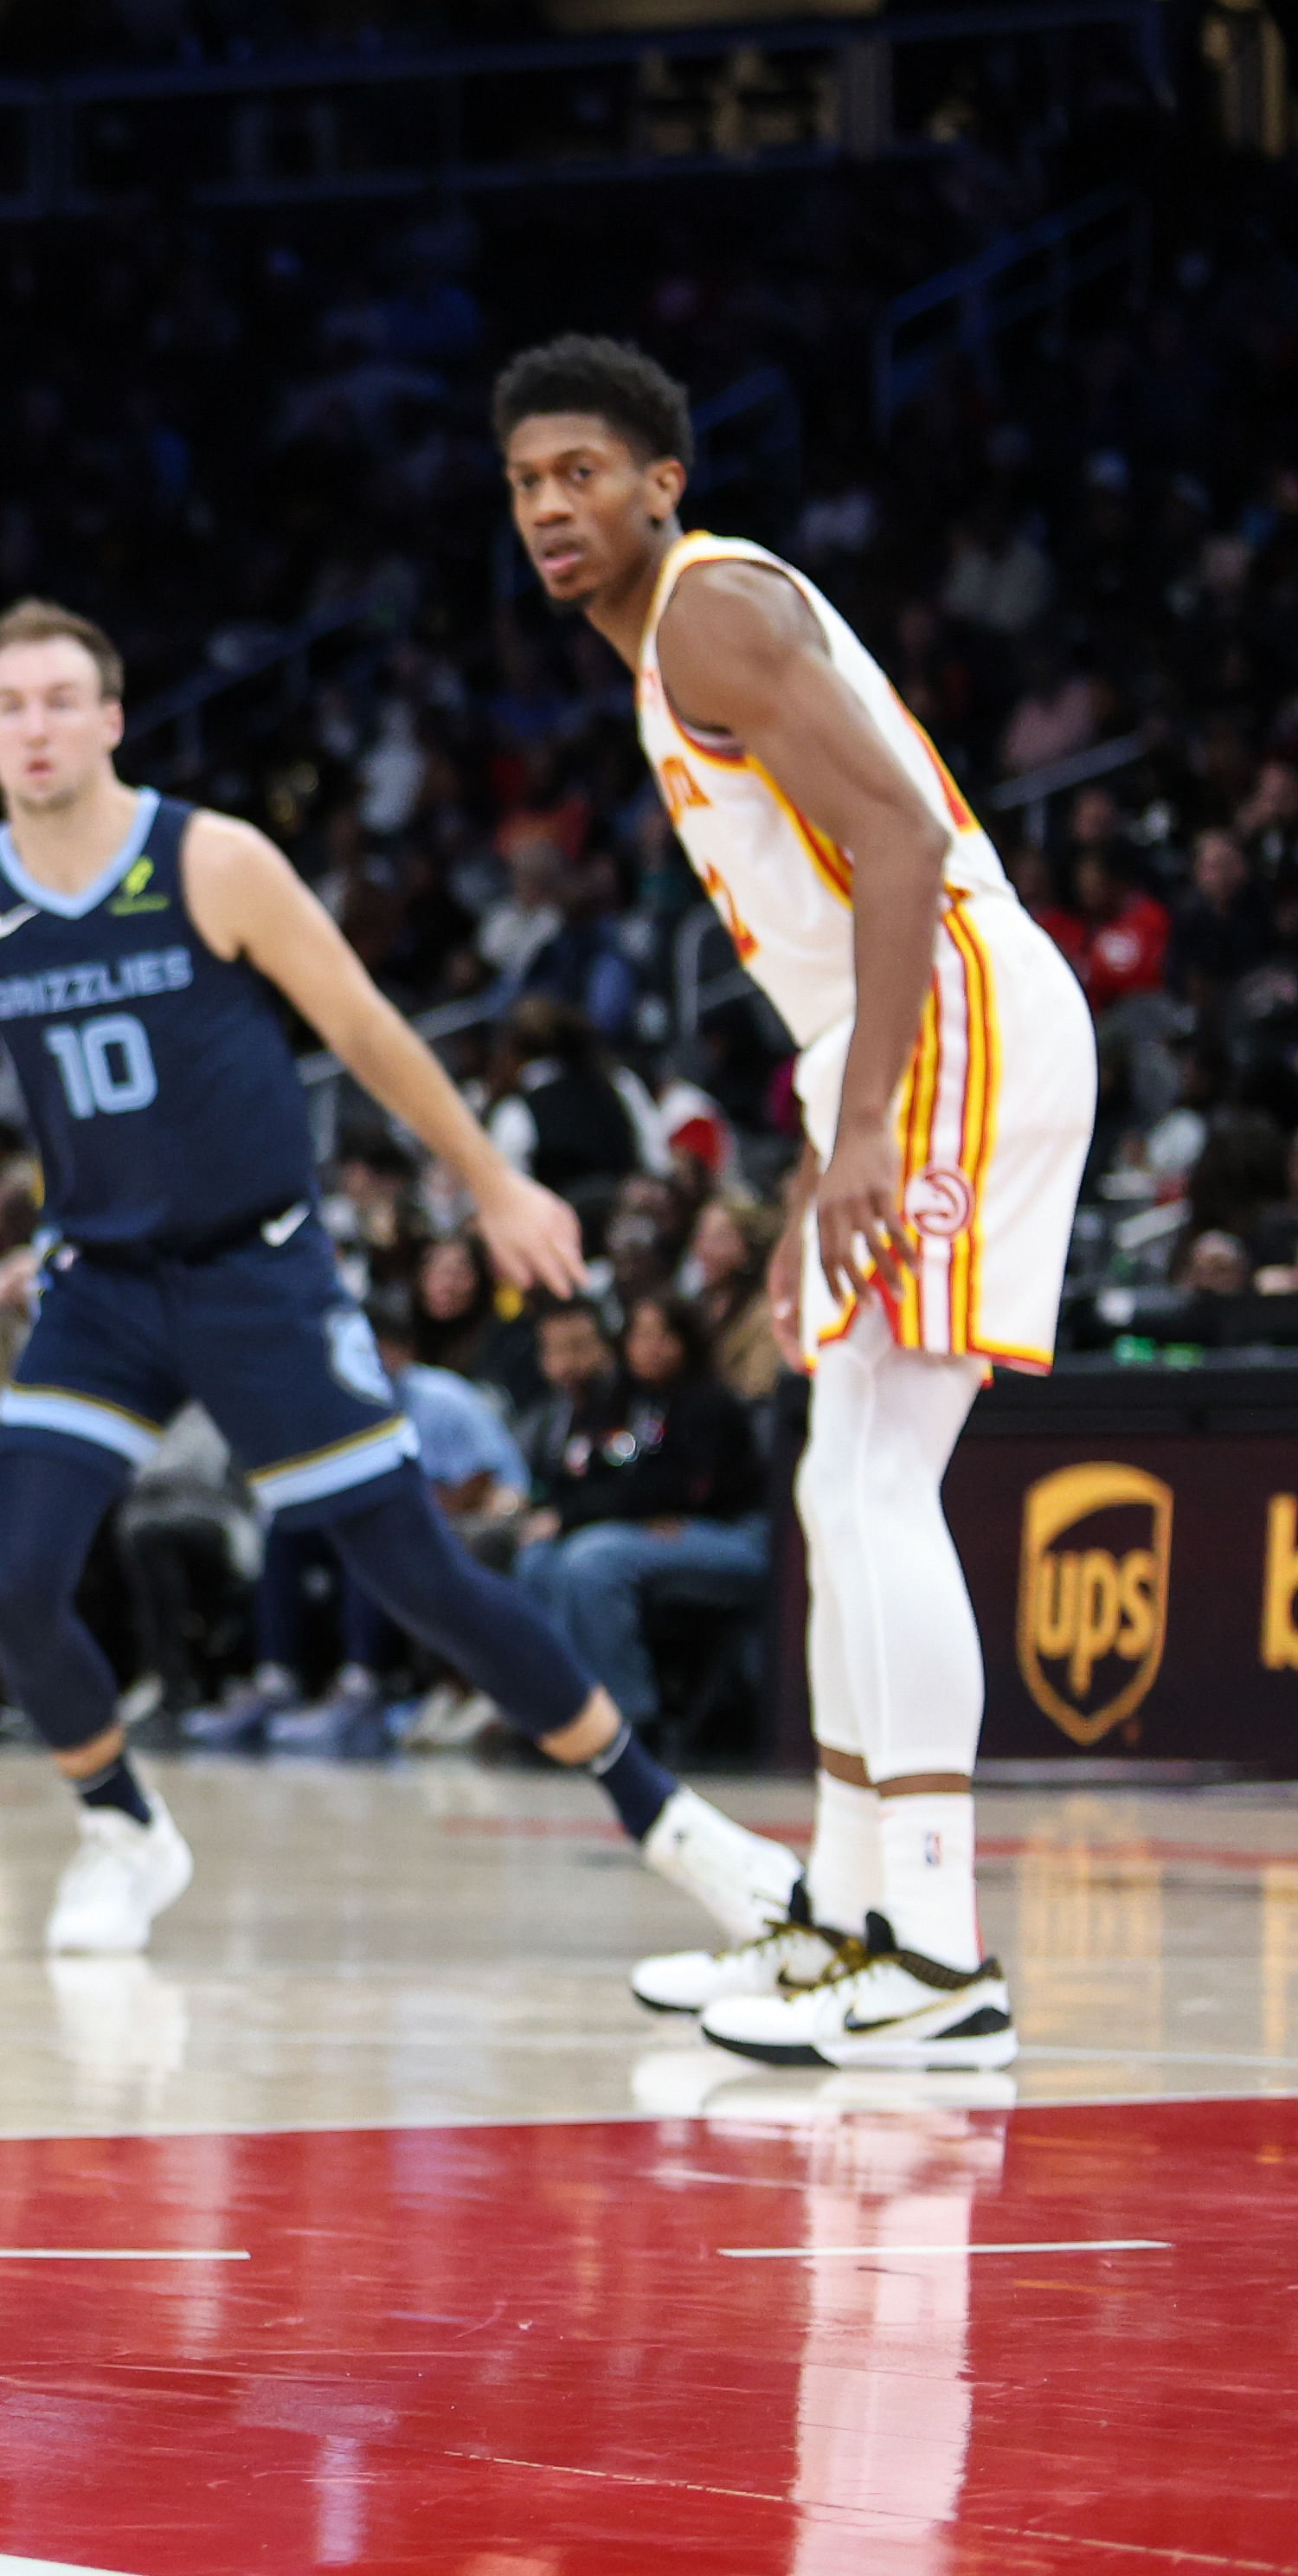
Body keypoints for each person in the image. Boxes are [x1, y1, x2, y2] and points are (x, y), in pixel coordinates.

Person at [0, 600, 794, 1965]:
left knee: (422, 1576)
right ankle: (124, 1829)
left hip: (260, 1276)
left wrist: (494, 1183)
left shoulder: (213, 859)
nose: (34, 725)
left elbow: (365, 1026)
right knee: (14, 1581)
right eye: (8, 704)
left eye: (61, 698)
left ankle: (676, 1827)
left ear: (112, 718)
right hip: (105, 1289)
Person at [504, 332, 1093, 2069]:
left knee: (879, 1471)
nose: (551, 505)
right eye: (528, 481)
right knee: (843, 1479)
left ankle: (935, 1948)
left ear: (660, 483)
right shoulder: (663, 647)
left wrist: (860, 1136)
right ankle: (851, 1923)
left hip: (959, 1020)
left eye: (582, 472)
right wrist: (816, 1165)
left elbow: (905, 845)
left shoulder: (709, 607)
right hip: (895, 1042)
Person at [514, 1298, 766, 1737]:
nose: (651, 1348)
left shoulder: (708, 1403)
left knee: (592, 1560)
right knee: (538, 1560)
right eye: (640, 1336)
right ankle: (559, 1707)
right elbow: (590, 1475)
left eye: (662, 1336)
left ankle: (629, 1716)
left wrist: (596, 1514)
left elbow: (683, 1491)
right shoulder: (619, 1402)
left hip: (727, 1532)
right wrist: (576, 1512)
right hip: (645, 1528)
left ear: (685, 1342)